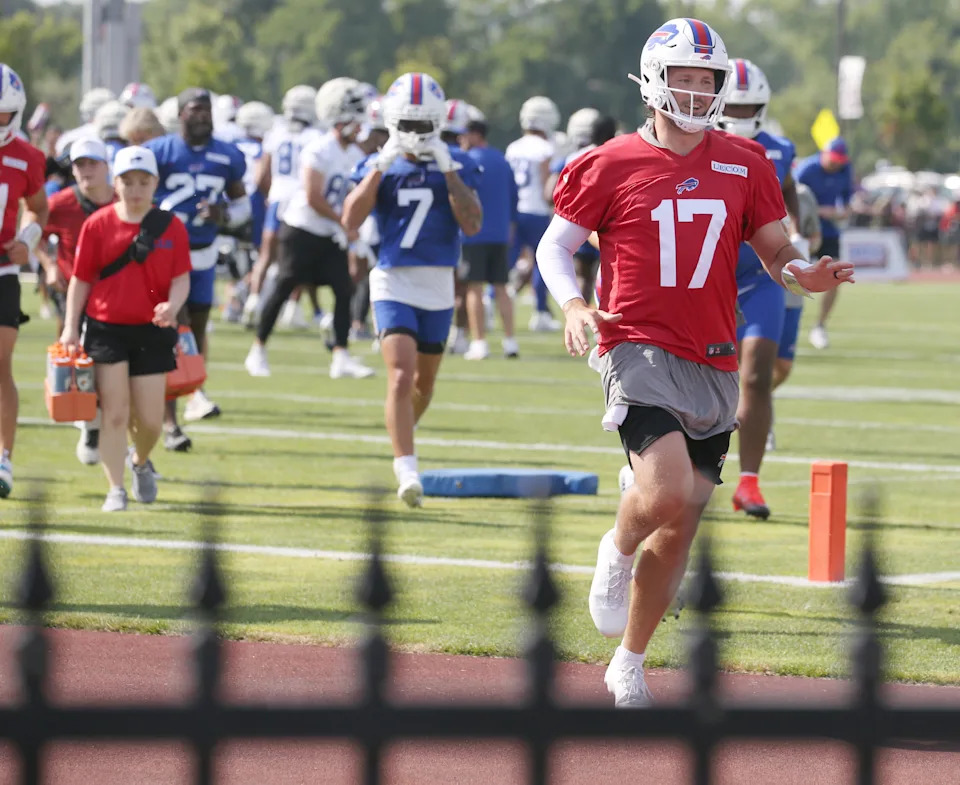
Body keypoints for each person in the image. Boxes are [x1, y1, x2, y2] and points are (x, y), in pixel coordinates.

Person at [535, 18, 853, 707]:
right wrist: (571, 306)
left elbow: (775, 252)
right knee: (667, 490)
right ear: (654, 78)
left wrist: (807, 275)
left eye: (706, 78)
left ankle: (630, 659)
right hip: (635, 343)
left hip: (713, 354)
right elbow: (553, 247)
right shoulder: (610, 160)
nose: (695, 88)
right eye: (683, 75)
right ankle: (615, 549)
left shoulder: (746, 161)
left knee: (681, 519)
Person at [342, 71, 482, 506]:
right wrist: (381, 166)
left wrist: (448, 169)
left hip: (438, 284)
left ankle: (401, 432)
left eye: (424, 124)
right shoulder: (376, 164)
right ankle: (407, 467)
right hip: (392, 279)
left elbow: (473, 224)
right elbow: (349, 221)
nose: (417, 133)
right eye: (410, 123)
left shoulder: (456, 165)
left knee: (424, 385)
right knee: (400, 376)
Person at [60, 146, 191, 512]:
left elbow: (182, 277)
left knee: (150, 420)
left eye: (143, 182)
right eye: (128, 181)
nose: (135, 189)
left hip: (152, 329)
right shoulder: (98, 224)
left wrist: (173, 305)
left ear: (155, 184)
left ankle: (140, 461)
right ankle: (115, 489)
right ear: (115, 183)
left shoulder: (171, 226)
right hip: (106, 328)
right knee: (115, 413)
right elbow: (81, 280)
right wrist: (71, 327)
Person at [716, 58, 800, 519]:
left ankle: (749, 482)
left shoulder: (780, 148)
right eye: (735, 107)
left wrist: (798, 237)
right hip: (707, 277)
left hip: (760, 276)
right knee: (706, 378)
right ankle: (687, 469)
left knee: (755, 376)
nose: (742, 116)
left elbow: (786, 196)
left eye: (751, 109)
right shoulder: (700, 145)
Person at [244, 78, 372, 379]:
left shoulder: (354, 155)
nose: (360, 127)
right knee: (284, 286)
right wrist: (344, 223)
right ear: (340, 121)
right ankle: (257, 349)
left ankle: (340, 356)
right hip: (301, 230)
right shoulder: (319, 148)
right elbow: (314, 196)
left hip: (328, 233)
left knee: (344, 289)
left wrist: (352, 226)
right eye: (355, 121)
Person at [144, 88, 248, 450]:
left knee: (197, 329)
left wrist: (225, 216)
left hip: (202, 253)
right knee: (173, 329)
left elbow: (243, 206)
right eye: (195, 109)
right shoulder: (159, 152)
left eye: (206, 109)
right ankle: (170, 421)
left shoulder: (227, 155)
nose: (202, 115)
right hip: (165, 253)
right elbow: (135, 196)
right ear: (180, 113)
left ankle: (193, 393)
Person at [36, 138, 117, 465]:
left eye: (92, 163)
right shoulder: (62, 202)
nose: (85, 170)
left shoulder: (124, 198)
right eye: (79, 164)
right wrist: (50, 264)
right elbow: (35, 231)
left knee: (116, 369)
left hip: (117, 296)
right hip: (74, 293)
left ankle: (109, 431)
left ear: (106, 166)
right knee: (82, 362)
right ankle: (91, 426)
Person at [0, 64, 49, 499]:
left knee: (1, 364)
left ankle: (3, 459)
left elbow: (38, 207)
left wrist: (27, 240)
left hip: (2, 270)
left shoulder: (28, 156)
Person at [242, 85, 320, 328]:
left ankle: (253, 302)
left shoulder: (276, 132)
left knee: (265, 256)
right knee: (297, 258)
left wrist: (272, 194)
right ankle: (291, 307)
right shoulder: (315, 137)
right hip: (300, 201)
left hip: (277, 198)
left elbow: (260, 177)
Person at [460, 114, 519, 360]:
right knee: (501, 288)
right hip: (499, 233)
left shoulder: (468, 160)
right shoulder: (502, 160)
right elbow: (514, 198)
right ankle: (510, 341)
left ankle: (480, 342)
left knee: (474, 288)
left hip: (474, 233)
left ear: (474, 134)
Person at [506, 96, 561, 331]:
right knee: (542, 261)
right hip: (538, 211)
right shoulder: (546, 148)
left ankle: (490, 302)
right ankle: (540, 311)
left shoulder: (513, 147)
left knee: (506, 261)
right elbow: (545, 181)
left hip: (515, 210)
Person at [795, 136, 853, 350]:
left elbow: (847, 204)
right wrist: (819, 212)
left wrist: (839, 213)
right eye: (833, 159)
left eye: (840, 160)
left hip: (829, 231)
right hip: (802, 229)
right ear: (824, 154)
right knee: (791, 276)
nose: (836, 164)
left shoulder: (845, 170)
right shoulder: (806, 169)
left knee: (835, 276)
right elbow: (789, 200)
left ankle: (819, 326)